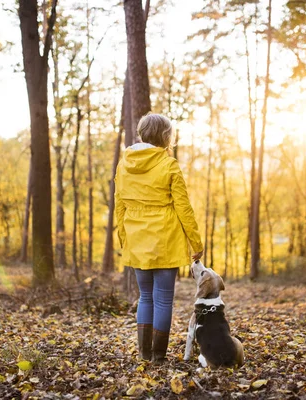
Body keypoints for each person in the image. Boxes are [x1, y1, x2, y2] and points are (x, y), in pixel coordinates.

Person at [115, 113, 204, 364]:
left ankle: (144, 353)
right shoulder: (169, 165)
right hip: (165, 238)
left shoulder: (124, 165)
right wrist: (196, 242)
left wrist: (125, 238)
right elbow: (184, 208)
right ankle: (158, 356)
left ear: (142, 134)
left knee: (145, 296)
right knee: (163, 298)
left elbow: (119, 206)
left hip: (136, 238)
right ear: (166, 137)